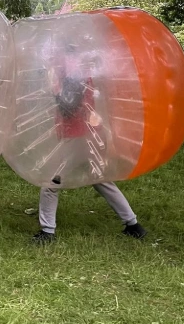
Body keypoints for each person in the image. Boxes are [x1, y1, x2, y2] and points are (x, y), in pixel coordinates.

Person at [32, 41, 147, 242]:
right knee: (102, 181)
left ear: (65, 58)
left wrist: (56, 90)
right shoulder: (78, 74)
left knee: (51, 183)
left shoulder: (73, 78)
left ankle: (47, 232)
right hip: (87, 136)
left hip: (77, 139)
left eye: (56, 56)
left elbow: (69, 108)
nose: (53, 60)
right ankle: (133, 225)